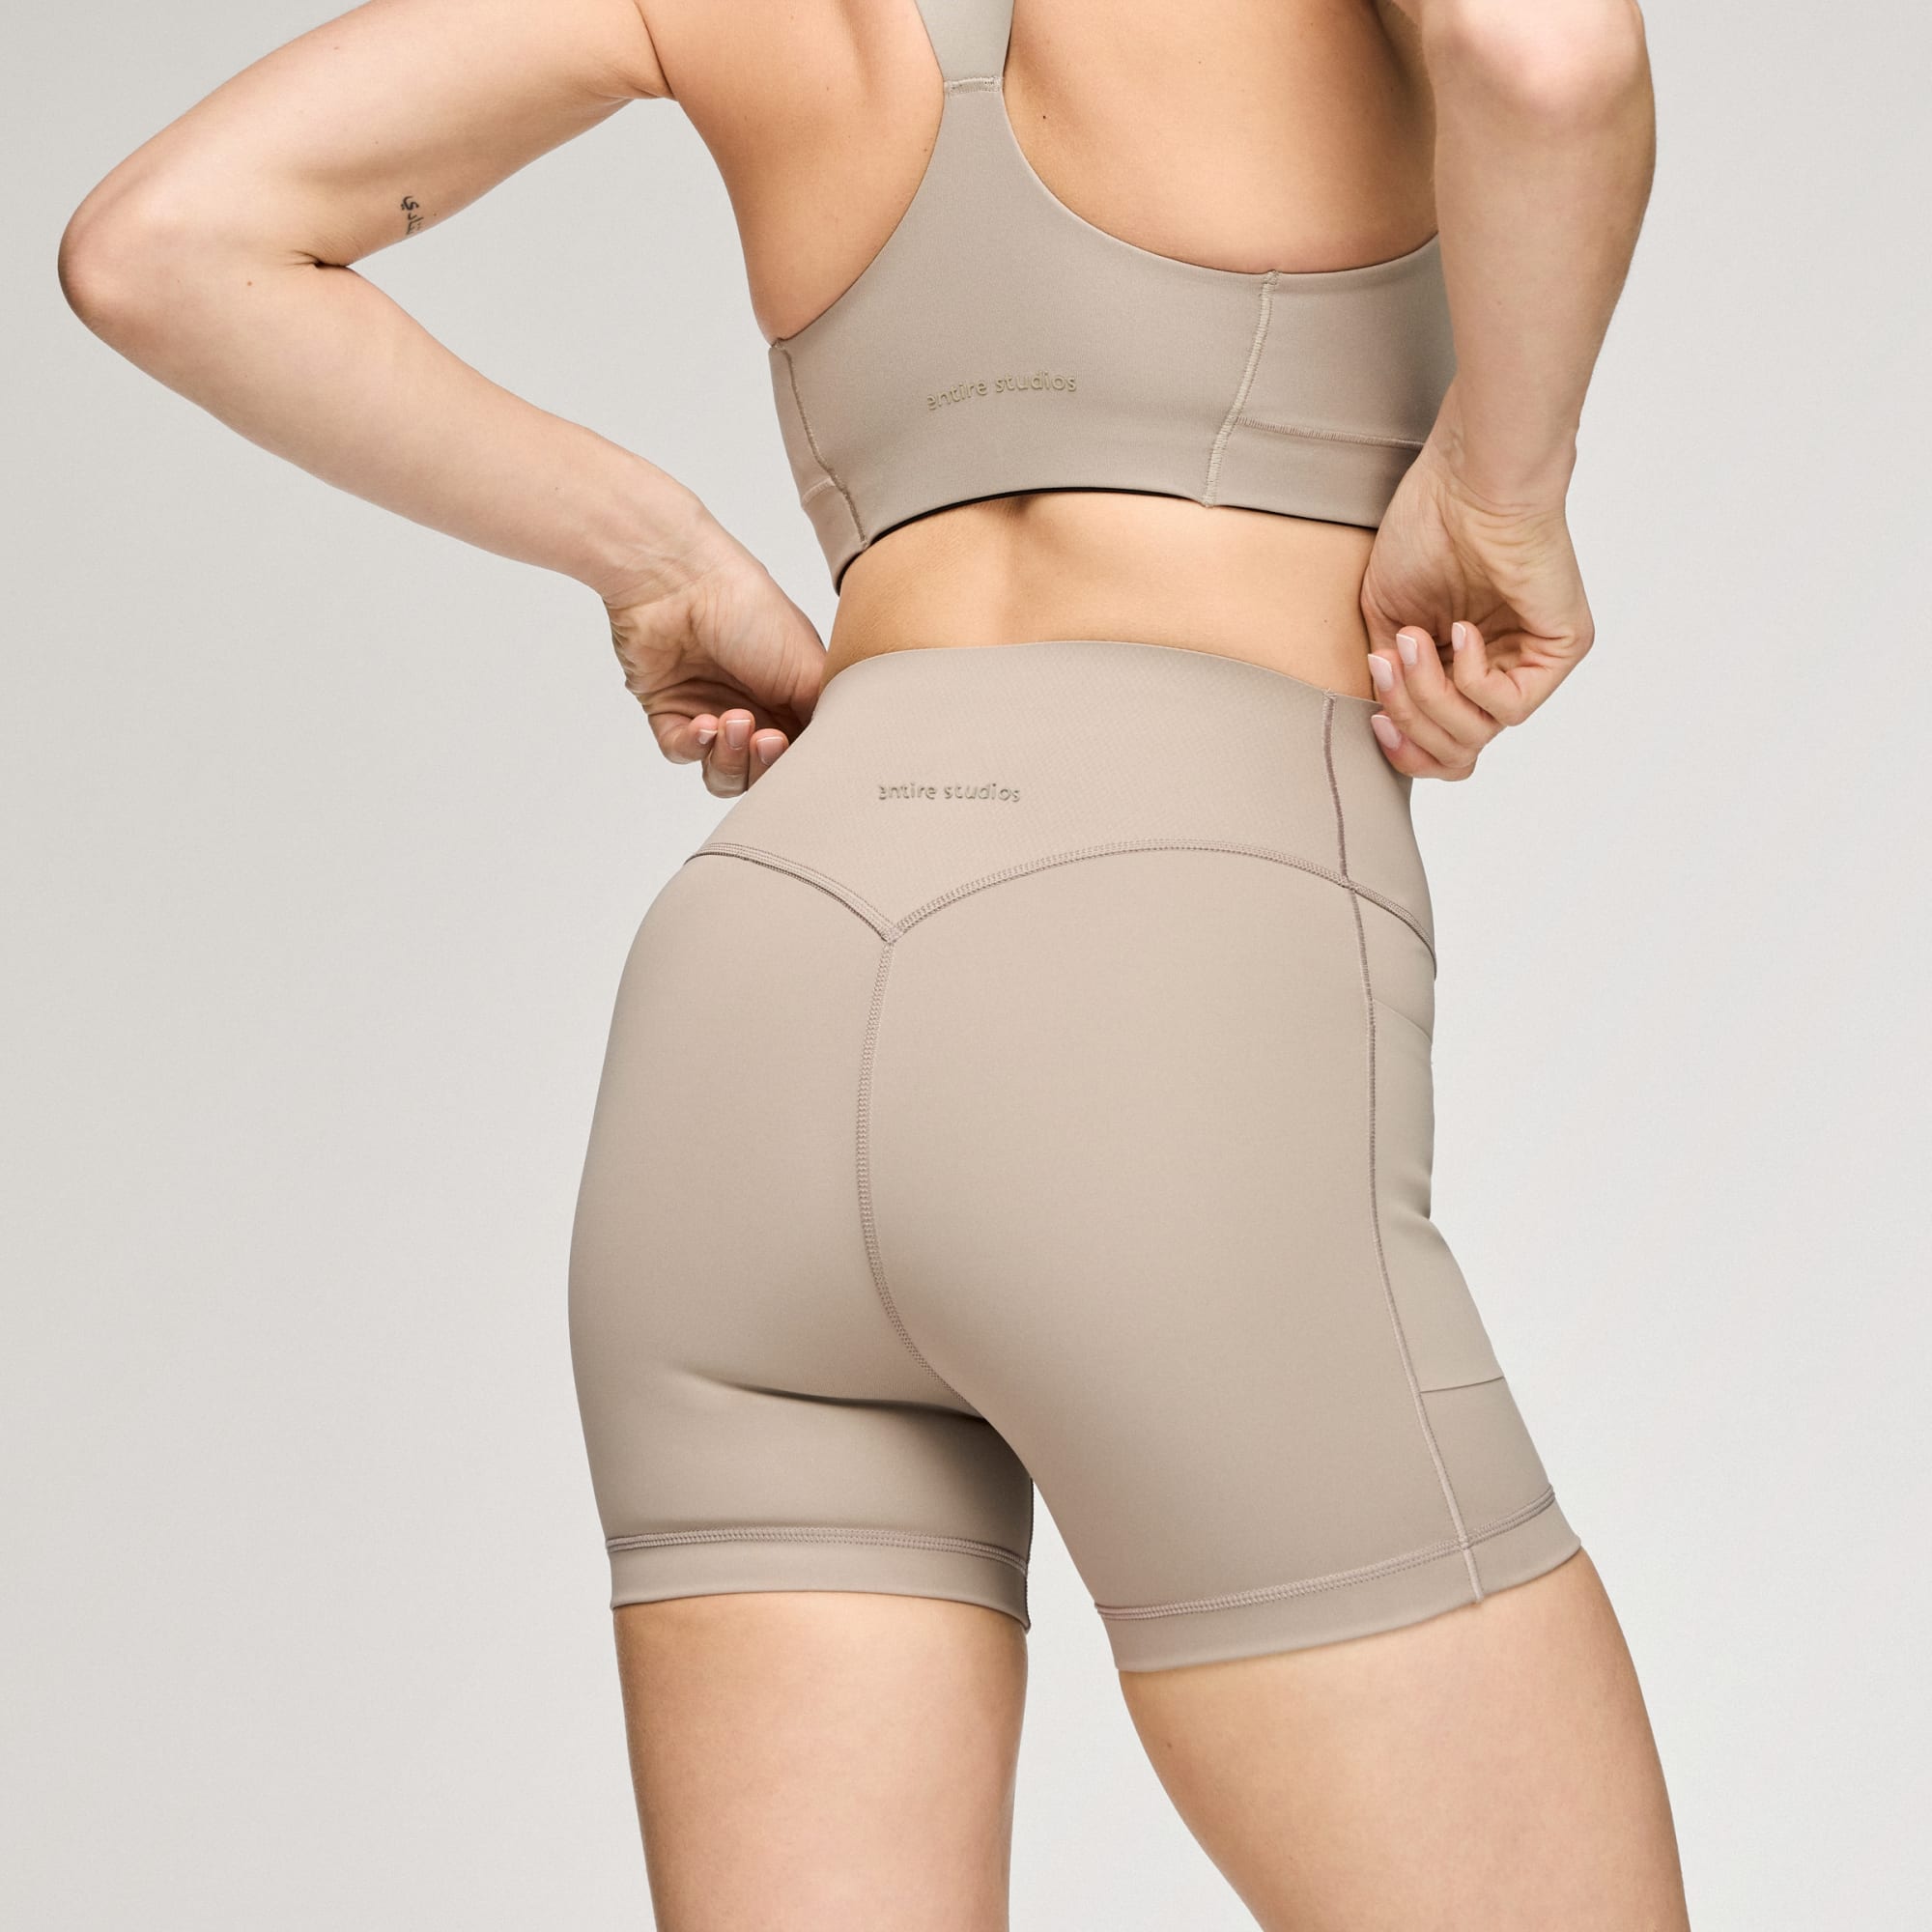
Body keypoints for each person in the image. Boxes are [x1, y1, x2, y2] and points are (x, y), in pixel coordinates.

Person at [59, 0, 1685, 1924]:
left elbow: (157, 244)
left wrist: (659, 557)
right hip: (1156, 985)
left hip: (753, 1002)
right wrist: (1499, 485)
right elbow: (1546, 55)